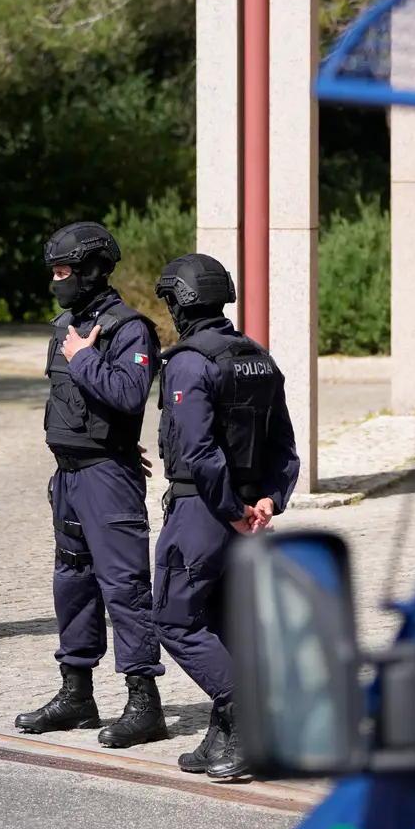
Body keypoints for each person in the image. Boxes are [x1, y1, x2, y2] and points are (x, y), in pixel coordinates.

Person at [14, 222, 169, 747]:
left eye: (64, 271)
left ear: (92, 270)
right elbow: (74, 403)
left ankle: (144, 702)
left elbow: (128, 396)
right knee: (72, 585)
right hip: (70, 476)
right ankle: (76, 694)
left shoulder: (130, 328)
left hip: (108, 480)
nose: (57, 280)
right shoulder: (65, 325)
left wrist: (83, 356)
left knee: (124, 588)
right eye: (54, 271)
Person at [151, 254, 299, 780]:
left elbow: (198, 449)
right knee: (223, 621)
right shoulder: (258, 356)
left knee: (173, 619)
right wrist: (269, 501)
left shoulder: (190, 362)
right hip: (247, 514)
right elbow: (284, 445)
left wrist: (233, 511)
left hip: (205, 512)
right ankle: (223, 739)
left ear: (179, 302)